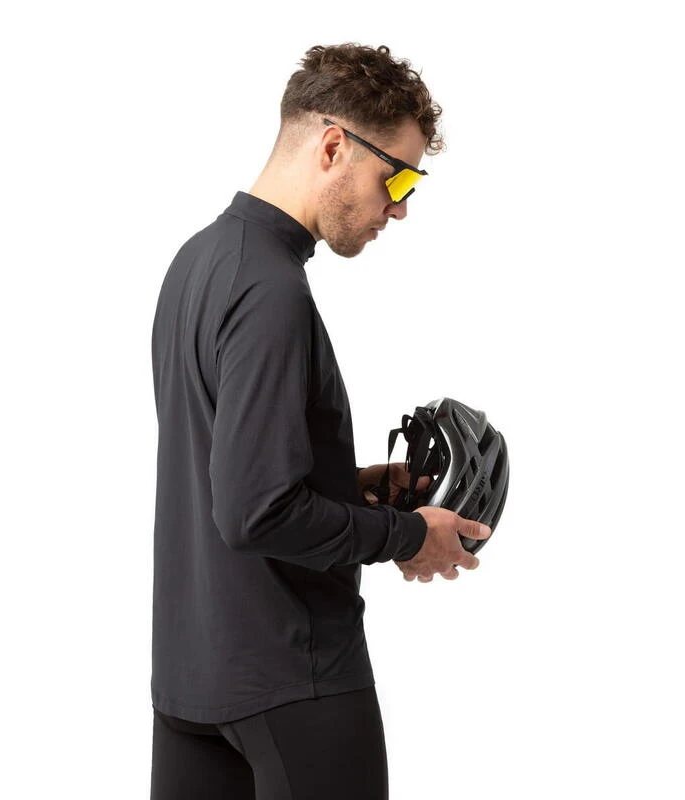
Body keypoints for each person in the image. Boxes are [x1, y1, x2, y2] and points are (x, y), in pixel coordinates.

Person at [149, 42, 492, 800]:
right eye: (396, 178)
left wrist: (348, 482)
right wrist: (408, 535)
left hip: (191, 685)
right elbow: (256, 511)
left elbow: (224, 467)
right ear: (334, 146)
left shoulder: (199, 262)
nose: (400, 207)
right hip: (293, 683)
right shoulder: (271, 290)